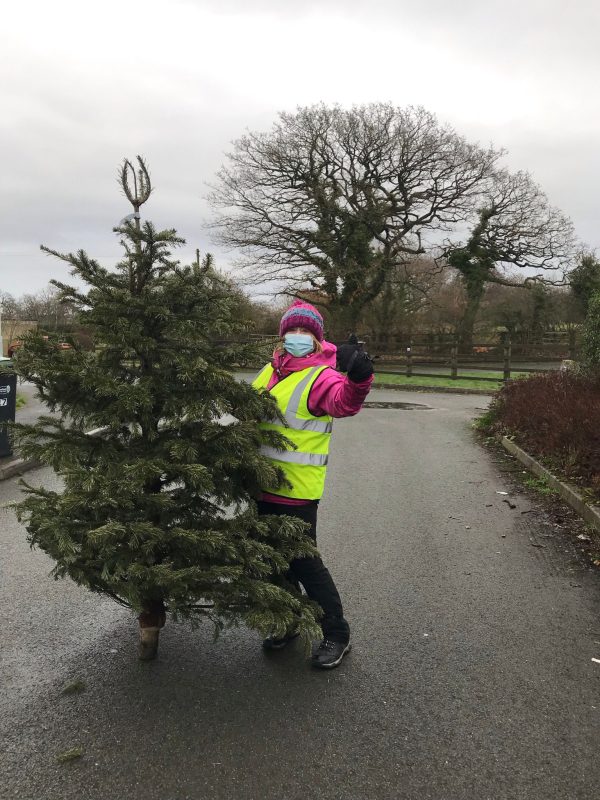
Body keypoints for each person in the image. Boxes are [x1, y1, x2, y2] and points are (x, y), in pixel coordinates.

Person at [252, 300, 374, 669]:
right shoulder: (269, 371)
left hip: (297, 490)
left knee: (305, 564)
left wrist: (359, 378)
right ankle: (287, 621)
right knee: (273, 561)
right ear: (282, 334)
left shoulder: (321, 376)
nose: (298, 337)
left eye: (306, 332)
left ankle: (337, 634)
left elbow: (343, 403)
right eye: (293, 330)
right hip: (261, 484)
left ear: (318, 339)